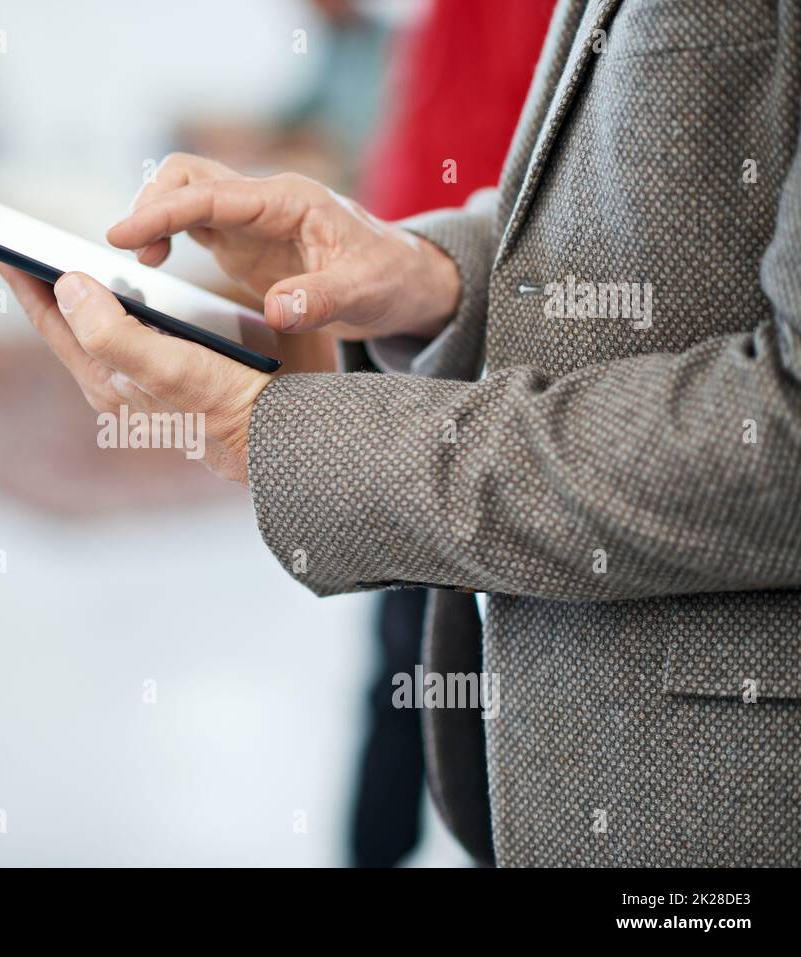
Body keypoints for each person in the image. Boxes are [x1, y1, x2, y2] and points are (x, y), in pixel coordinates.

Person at [0, 0, 801, 866]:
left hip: (720, 809)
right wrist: (424, 272)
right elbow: (638, 223)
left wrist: (296, 439)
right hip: (566, 744)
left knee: (388, 676)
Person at [346, 0, 555, 868]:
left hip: (468, 260)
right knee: (410, 626)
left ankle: (386, 843)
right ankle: (381, 845)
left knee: (442, 633)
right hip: (419, 255)